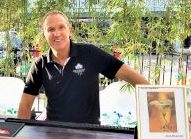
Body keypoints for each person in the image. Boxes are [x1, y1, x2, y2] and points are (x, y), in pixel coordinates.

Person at [17, 11, 150, 124]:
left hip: (89, 134)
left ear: (70, 30)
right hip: (54, 133)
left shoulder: (90, 53)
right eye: (50, 29)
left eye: (61, 27)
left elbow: (134, 78)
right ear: (44, 35)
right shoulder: (39, 65)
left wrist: (156, 107)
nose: (56, 33)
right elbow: (25, 105)